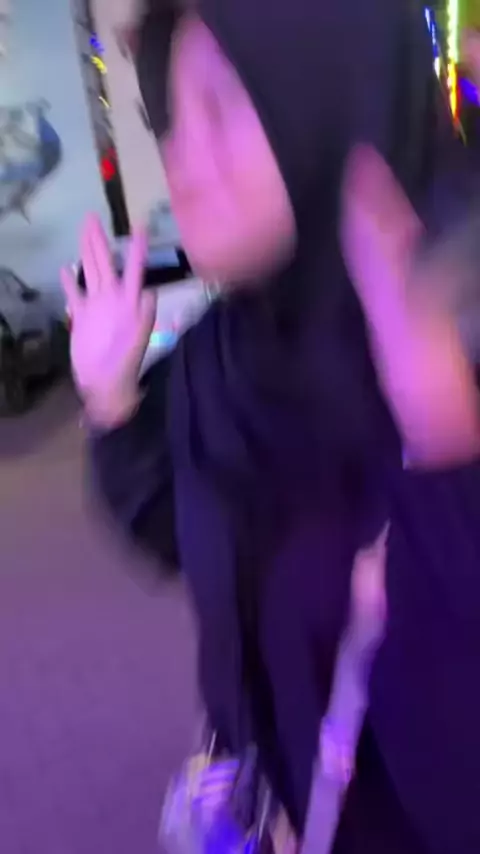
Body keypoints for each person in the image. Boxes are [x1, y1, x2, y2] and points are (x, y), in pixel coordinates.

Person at [62, 0, 480, 850]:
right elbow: (186, 539)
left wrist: (444, 450)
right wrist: (113, 402)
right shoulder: (226, 354)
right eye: (170, 119)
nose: (180, 158)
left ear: (333, 96)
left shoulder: (456, 352)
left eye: (222, 104)